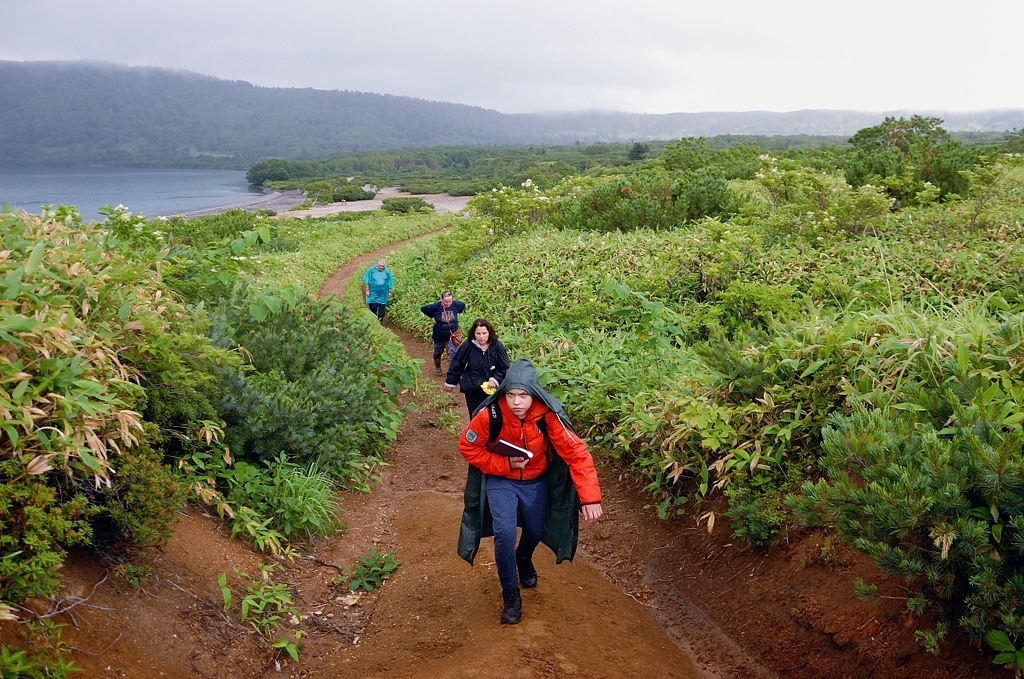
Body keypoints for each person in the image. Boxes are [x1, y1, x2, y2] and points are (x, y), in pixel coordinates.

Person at [456, 358, 603, 625]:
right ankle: (510, 593)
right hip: (501, 480)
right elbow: (467, 447)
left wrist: (589, 497)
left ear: (533, 393)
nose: (516, 402)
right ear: (504, 393)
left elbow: (577, 453)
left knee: (535, 530)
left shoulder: (548, 416)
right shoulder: (490, 414)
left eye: (523, 395)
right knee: (504, 533)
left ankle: (523, 558)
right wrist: (503, 464)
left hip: (536, 481)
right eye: (511, 394)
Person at [443, 318, 510, 416]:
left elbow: (504, 367)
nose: (481, 337)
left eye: (484, 333)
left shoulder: (497, 346)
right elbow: (458, 364)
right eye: (478, 334)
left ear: (489, 333)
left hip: (492, 390)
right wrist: (450, 382)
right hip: (472, 388)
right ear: (473, 333)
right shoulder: (468, 345)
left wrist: (495, 380)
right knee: (475, 416)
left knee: (492, 416)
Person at [420, 291, 466, 376]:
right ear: (442, 300)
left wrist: (458, 313)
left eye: (450, 301)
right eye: (446, 301)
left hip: (453, 334)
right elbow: (423, 308)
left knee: (454, 353)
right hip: (439, 334)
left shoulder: (457, 305)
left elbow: (463, 305)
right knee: (438, 353)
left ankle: (453, 372)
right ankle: (438, 367)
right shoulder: (435, 307)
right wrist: (432, 316)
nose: (448, 303)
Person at [362, 258, 394, 323]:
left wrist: (390, 291)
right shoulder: (371, 270)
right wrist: (367, 290)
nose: (381, 267)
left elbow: (390, 281)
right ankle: (374, 319)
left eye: (383, 266)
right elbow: (366, 280)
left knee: (382, 307)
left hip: (383, 293)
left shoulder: (386, 272)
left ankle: (380, 321)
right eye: (380, 265)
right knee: (373, 307)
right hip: (373, 292)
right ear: (377, 264)